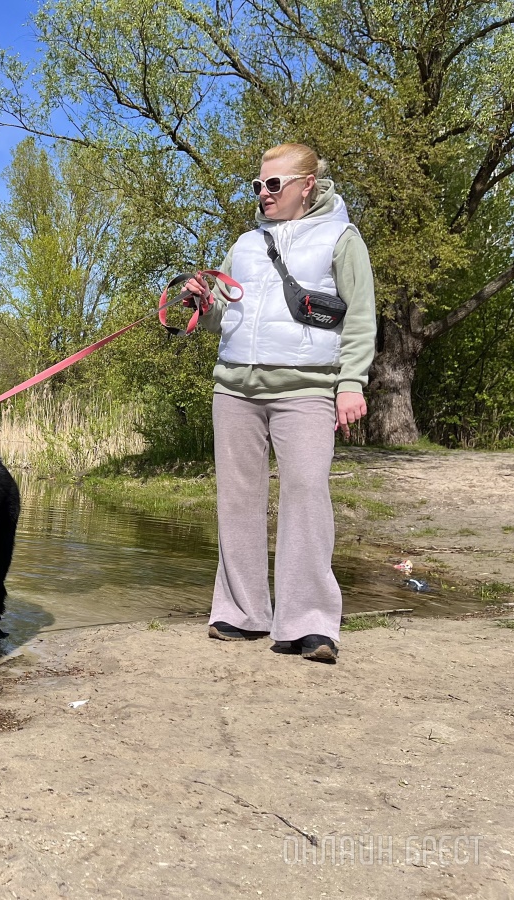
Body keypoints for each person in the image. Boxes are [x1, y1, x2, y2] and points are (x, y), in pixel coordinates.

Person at [186, 142, 376, 664]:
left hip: (308, 389)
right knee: (237, 499)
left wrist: (352, 383)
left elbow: (359, 317)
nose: (263, 194)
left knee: (307, 494)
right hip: (235, 390)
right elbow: (222, 312)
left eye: (273, 184)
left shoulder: (342, 237)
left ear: (306, 184)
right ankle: (242, 613)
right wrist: (200, 303)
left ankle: (309, 624)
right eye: (257, 185)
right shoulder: (246, 243)